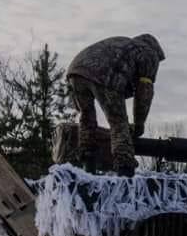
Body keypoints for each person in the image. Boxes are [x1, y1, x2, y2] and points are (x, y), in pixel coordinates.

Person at [66, 34, 165, 176]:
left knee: (87, 119)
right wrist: (139, 124)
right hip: (105, 75)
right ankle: (125, 170)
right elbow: (144, 93)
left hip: (75, 71)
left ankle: (88, 167)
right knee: (119, 124)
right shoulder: (149, 53)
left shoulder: (124, 43)